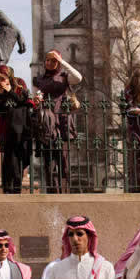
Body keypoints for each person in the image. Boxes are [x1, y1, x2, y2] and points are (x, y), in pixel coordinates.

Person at [33, 50, 83, 193]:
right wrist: (36, 101)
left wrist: (62, 62)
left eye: (53, 61)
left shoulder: (64, 77)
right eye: (47, 60)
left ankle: (64, 191)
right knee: (49, 161)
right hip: (47, 121)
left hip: (62, 119)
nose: (49, 63)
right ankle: (52, 192)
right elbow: (37, 96)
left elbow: (78, 77)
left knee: (63, 159)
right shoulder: (40, 79)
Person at [0, 64, 33, 194]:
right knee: (9, 157)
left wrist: (9, 91)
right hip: (7, 127)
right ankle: (10, 187)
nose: (0, 81)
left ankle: (14, 185)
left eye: (3, 78)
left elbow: (23, 101)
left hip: (22, 127)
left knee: (22, 156)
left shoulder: (20, 83)